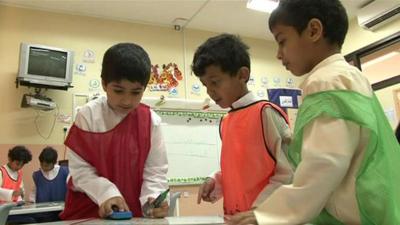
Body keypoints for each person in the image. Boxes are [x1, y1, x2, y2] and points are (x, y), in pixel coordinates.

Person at [228, 0, 400, 224]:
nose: (279, 54)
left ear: (313, 30)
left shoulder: (327, 81)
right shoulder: (350, 76)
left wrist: (268, 216)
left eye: (282, 41)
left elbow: (324, 163)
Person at [59, 43, 169, 220]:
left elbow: (155, 171)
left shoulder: (151, 121)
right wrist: (107, 193)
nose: (126, 100)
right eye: (118, 90)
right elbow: (81, 172)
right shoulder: (88, 116)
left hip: (132, 214)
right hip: (88, 211)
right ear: (104, 84)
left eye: (136, 92)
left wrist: (153, 200)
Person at [192, 34, 293, 215]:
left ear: (242, 75)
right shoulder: (226, 121)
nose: (210, 91)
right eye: (205, 84)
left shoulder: (266, 113)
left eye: (215, 82)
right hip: (236, 218)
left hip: (266, 218)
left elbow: (289, 173)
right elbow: (240, 171)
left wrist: (259, 211)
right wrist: (215, 181)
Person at [29, 146, 68, 222]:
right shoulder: (37, 175)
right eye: (41, 164)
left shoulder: (65, 172)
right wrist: (31, 204)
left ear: (54, 163)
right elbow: (33, 193)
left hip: (61, 213)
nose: (43, 167)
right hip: (43, 215)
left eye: (46, 165)